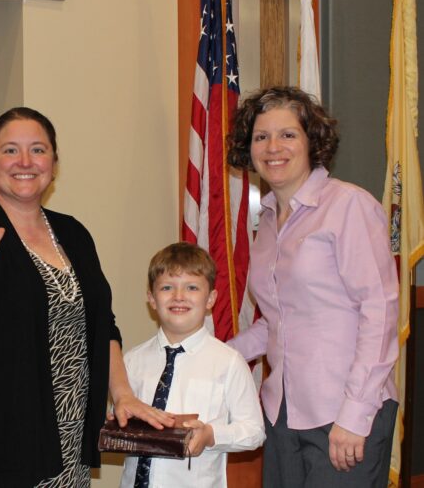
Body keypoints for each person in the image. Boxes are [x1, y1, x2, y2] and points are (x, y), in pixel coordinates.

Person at [0, 107, 171, 488]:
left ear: (54, 164)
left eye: (38, 150)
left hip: (68, 442)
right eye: (10, 150)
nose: (25, 161)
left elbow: (102, 324)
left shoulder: (73, 234)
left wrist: (122, 395)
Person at [226, 86, 399, 487]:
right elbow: (277, 322)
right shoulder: (267, 223)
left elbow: (380, 311)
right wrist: (199, 355)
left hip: (345, 413)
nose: (273, 147)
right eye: (261, 136)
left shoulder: (348, 206)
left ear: (312, 142)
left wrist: (355, 415)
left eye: (288, 134)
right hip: (283, 414)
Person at [119, 242, 266, 488]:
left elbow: (254, 431)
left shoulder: (228, 362)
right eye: (167, 287)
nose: (178, 296)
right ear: (151, 299)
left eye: (191, 288)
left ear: (210, 299)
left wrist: (211, 435)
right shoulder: (131, 361)